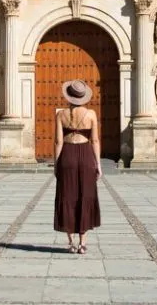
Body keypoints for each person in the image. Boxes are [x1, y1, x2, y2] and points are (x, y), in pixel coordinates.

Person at [54, 79, 102, 254]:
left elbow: (58, 142)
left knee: (67, 197)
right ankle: (83, 243)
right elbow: (95, 140)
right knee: (85, 197)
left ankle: (71, 243)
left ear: (69, 96)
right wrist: (98, 164)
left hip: (67, 155)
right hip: (86, 156)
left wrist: (56, 164)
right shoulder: (91, 114)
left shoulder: (61, 115)